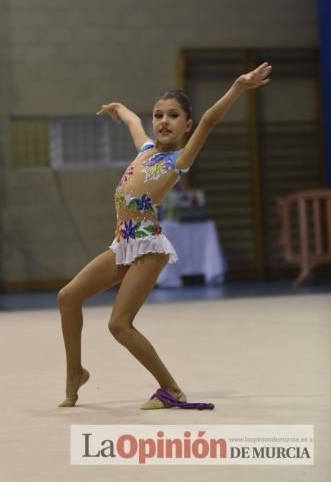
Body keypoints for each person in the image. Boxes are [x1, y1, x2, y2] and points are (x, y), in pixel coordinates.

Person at [57, 62, 272, 409]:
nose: (163, 121)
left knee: (119, 325)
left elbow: (209, 121)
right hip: (123, 245)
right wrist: (118, 108)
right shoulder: (144, 151)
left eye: (173, 116)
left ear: (185, 125)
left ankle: (171, 389)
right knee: (68, 297)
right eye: (159, 115)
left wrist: (237, 87)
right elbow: (132, 121)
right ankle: (75, 373)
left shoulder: (178, 160)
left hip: (148, 248)